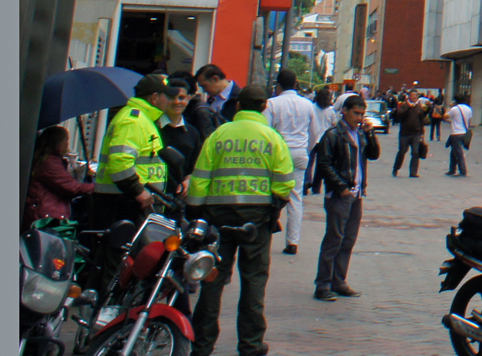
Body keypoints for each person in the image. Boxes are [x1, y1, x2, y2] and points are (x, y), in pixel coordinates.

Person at [187, 84, 295, 356]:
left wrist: (195, 212)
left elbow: (200, 179)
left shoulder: (219, 135)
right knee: (254, 282)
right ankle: (250, 344)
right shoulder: (272, 138)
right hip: (256, 223)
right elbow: (284, 183)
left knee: (212, 280)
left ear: (237, 106)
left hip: (218, 219)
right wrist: (274, 208)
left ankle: (202, 344)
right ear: (265, 107)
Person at [312, 92, 381, 302]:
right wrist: (341, 187)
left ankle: (339, 281)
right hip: (340, 194)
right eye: (356, 113)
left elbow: (374, 155)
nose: (360, 118)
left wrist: (370, 134)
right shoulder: (333, 134)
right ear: (345, 112)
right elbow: (324, 164)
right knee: (334, 239)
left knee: (348, 240)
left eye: (363, 114)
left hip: (356, 193)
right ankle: (323, 284)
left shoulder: (360, 134)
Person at [93, 72, 178, 225]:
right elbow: (120, 161)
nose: (170, 101)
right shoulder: (134, 121)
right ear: (155, 97)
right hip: (124, 203)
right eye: (168, 96)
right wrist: (138, 191)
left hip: (129, 201)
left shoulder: (144, 119)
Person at [262, 70, 317, 256]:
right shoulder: (308, 105)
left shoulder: (271, 104)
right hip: (300, 153)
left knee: (272, 195)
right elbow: (314, 133)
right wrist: (306, 150)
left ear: (278, 85)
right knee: (296, 198)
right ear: (295, 84)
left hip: (278, 155)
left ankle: (266, 235)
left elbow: (266, 132)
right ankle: (293, 242)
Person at [26, 125, 95, 223]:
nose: (67, 144)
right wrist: (94, 187)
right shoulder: (49, 162)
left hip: (42, 211)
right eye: (66, 141)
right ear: (58, 143)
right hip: (48, 215)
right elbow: (71, 187)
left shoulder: (47, 160)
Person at [392, 91, 429, 178]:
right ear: (409, 97)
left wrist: (422, 133)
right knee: (402, 151)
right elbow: (400, 116)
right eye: (412, 95)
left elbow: (421, 120)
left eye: (416, 95)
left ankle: (413, 172)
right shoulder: (404, 105)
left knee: (415, 152)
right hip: (405, 133)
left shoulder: (419, 106)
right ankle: (396, 168)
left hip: (416, 133)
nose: (414, 97)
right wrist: (409, 107)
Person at [446, 93, 476, 177]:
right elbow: (469, 121)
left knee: (458, 152)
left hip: (456, 133)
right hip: (464, 132)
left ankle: (463, 170)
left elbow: (445, 116)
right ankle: (452, 169)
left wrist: (449, 107)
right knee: (454, 151)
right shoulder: (469, 109)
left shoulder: (454, 109)